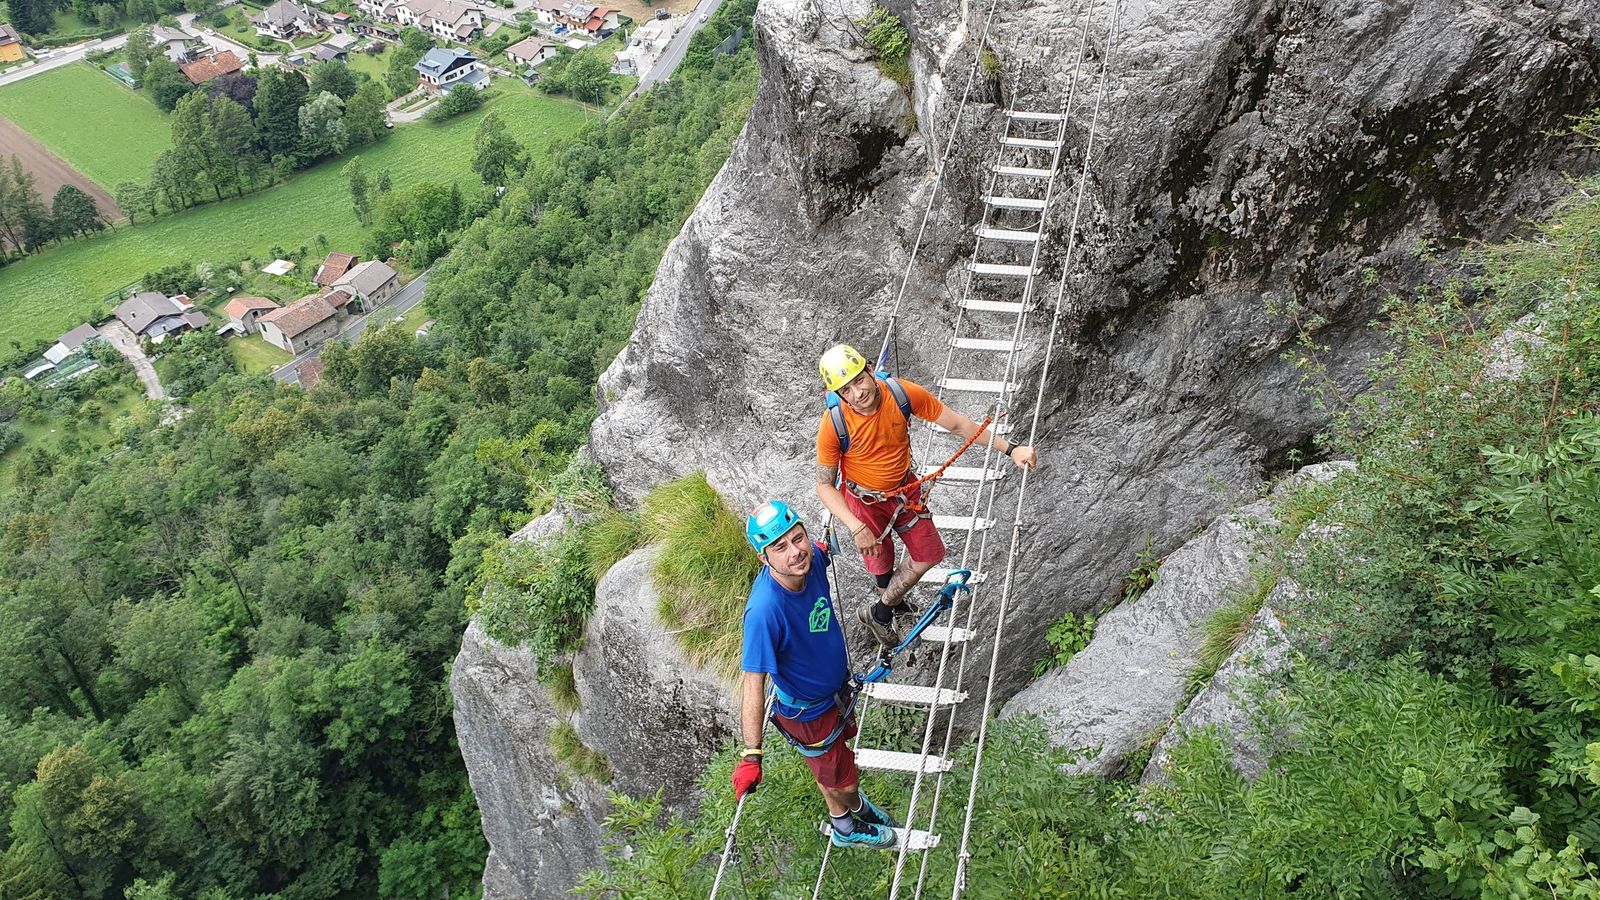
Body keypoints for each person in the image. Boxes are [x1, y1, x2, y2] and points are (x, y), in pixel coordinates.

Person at [814, 343, 1038, 647]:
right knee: (881, 563)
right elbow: (824, 485)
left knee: (930, 553)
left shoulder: (902, 394)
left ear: (869, 370)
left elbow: (959, 425)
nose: (857, 393)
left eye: (859, 381)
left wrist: (1011, 449)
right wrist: (857, 527)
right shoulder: (834, 424)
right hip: (864, 503)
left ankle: (880, 612)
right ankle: (896, 607)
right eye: (846, 390)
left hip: (905, 491)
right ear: (839, 395)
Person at [733, 500, 900, 850]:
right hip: (808, 714)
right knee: (843, 779)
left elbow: (822, 548)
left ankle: (847, 814)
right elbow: (753, 684)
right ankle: (848, 823)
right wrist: (752, 754)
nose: (795, 552)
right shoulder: (764, 611)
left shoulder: (813, 562)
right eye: (780, 547)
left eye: (798, 539)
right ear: (764, 559)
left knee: (829, 767)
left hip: (833, 694)